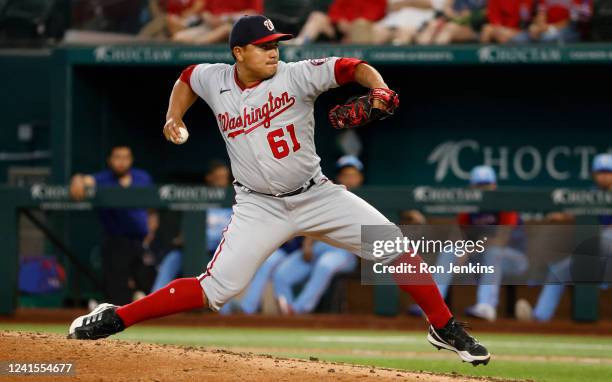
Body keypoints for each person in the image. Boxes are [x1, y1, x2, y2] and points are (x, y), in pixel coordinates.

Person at [67, 15, 490, 366]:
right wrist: (172, 117)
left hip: (317, 196)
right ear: (238, 52)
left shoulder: (296, 75)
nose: (274, 51)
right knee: (218, 289)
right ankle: (117, 316)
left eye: (277, 43)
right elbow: (187, 78)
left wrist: (376, 87)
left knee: (393, 245)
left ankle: (443, 325)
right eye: (264, 45)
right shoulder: (215, 79)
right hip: (258, 206)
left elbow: (351, 66)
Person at [409, 165, 528, 321]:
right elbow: (456, 238)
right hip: (481, 258)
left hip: (514, 260)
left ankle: (486, 306)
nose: (483, 190)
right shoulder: (469, 208)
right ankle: (431, 306)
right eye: (479, 186)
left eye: (486, 185)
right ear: (472, 187)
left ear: (494, 186)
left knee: (493, 253)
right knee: (450, 251)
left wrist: (469, 250)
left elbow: (500, 241)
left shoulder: (503, 204)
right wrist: (460, 251)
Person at [517, 153, 612, 322]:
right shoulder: (591, 194)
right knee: (557, 272)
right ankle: (539, 317)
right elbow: (580, 213)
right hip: (594, 255)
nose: (604, 176)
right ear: (594, 174)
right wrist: (564, 216)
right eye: (600, 172)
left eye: (608, 171)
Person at [273, 156, 363, 315]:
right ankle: (287, 314)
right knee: (281, 274)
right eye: (345, 175)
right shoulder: (329, 196)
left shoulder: (369, 198)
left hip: (343, 252)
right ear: (338, 178)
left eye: (353, 175)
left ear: (360, 178)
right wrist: (307, 244)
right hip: (318, 246)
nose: (349, 179)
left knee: (325, 265)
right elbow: (315, 223)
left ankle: (299, 311)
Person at [69, 145, 157, 305]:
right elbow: (83, 180)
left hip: (141, 242)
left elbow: (152, 211)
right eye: (117, 157)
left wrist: (150, 233)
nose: (121, 162)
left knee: (147, 288)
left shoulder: (142, 177)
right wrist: (77, 180)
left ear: (131, 160)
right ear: (110, 160)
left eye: (125, 157)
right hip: (116, 243)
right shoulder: (103, 178)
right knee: (119, 295)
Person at [150, 161, 232, 291]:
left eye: (224, 178)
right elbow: (187, 228)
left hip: (218, 253)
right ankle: (153, 299)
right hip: (192, 249)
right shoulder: (200, 198)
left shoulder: (234, 199)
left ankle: (229, 309)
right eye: (218, 177)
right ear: (209, 178)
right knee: (172, 258)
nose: (222, 181)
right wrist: (185, 237)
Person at [290, 0, 387, 45]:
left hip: (362, 34)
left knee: (361, 25)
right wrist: (339, 20)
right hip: (339, 30)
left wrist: (351, 26)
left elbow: (373, 16)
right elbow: (334, 11)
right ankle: (301, 42)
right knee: (317, 16)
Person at [372, 0, 445, 45]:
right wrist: (411, 2)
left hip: (420, 24)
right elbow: (391, 6)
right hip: (393, 22)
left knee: (405, 32)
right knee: (377, 31)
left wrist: (406, 2)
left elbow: (430, 4)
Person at [415, 0, 487, 45]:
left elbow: (487, 12)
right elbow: (446, 8)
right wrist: (456, 16)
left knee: (449, 29)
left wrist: (470, 15)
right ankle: (422, 58)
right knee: (433, 25)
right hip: (452, 22)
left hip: (473, 28)